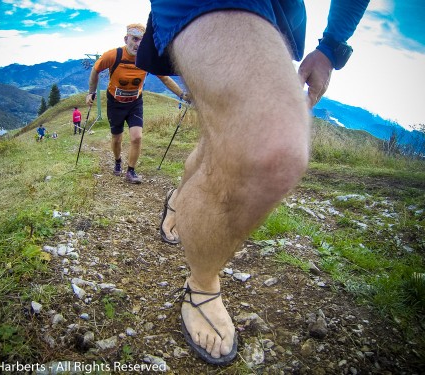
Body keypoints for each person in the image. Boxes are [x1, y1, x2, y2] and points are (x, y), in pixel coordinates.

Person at [136, 0, 370, 366]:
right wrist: (331, 45)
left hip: (279, 10)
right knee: (269, 140)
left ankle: (179, 199)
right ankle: (202, 284)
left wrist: (332, 47)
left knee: (230, 132)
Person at [86, 23, 189, 184]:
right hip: (115, 103)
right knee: (117, 139)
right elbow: (95, 70)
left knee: (137, 137)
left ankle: (131, 171)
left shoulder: (146, 59)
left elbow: (165, 78)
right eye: (134, 39)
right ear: (126, 39)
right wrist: (91, 92)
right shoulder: (113, 55)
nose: (138, 44)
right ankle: (118, 160)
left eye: (142, 40)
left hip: (135, 102)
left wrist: (182, 94)